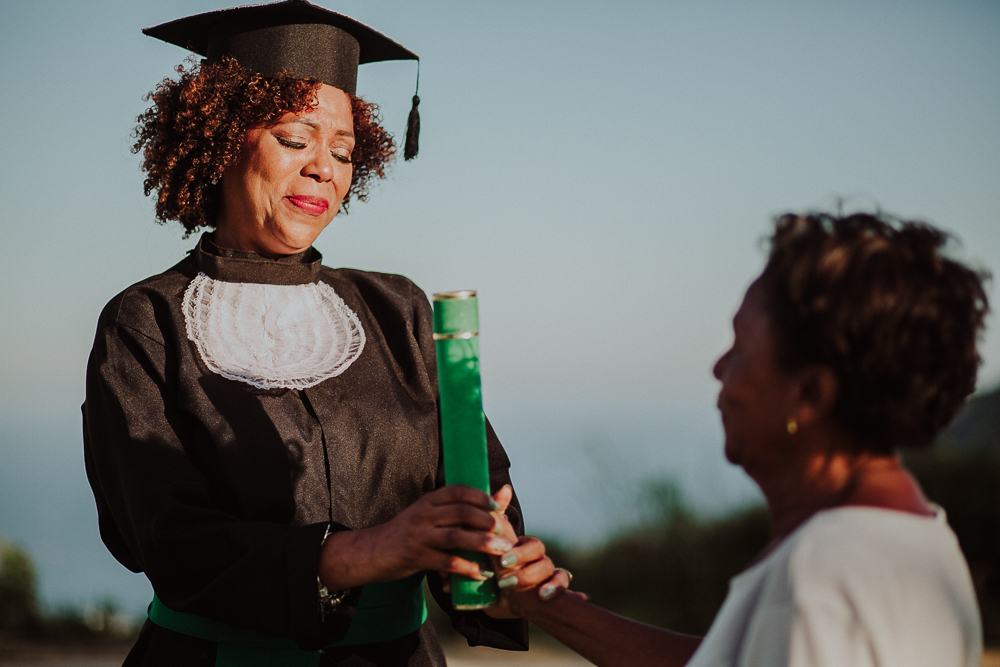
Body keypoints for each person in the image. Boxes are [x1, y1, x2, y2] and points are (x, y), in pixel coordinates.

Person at [82, 2, 527, 665]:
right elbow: (169, 540)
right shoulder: (146, 321)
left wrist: (500, 564)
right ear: (224, 137)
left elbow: (481, 488)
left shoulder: (398, 309)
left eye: (343, 150)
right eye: (296, 138)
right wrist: (369, 550)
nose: (325, 167)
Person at [488, 211, 988, 667]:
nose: (719, 368)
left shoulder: (822, 577)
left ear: (809, 394)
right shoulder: (917, 541)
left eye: (741, 348)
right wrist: (540, 604)